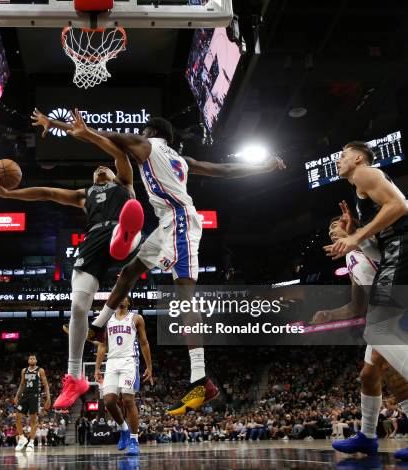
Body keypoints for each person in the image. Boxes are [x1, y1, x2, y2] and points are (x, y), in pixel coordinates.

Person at [35, 108, 285, 415]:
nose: (138, 136)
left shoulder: (148, 146)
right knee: (128, 273)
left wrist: (65, 127)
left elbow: (111, 137)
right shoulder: (183, 161)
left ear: (151, 132)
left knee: (185, 299)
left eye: (142, 132)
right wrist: (265, 166)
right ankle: (99, 327)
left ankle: (201, 380)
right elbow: (225, 171)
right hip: (166, 223)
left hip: (179, 221)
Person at [0, 113, 144, 409]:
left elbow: (118, 152)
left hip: (120, 231)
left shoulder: (124, 182)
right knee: (76, 306)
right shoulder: (83, 195)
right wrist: (10, 194)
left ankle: (126, 235)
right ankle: (74, 378)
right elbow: (46, 193)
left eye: (104, 168)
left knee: (124, 233)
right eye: (96, 170)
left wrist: (77, 131)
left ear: (113, 174)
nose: (101, 169)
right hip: (93, 243)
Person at [324, 141, 408, 459]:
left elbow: (400, 207)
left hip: (403, 251)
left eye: (343, 154)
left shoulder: (365, 173)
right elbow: (356, 306)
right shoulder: (362, 200)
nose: (339, 160)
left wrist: (357, 236)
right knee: (369, 374)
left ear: (358, 158)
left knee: (382, 334)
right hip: (393, 263)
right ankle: (367, 436)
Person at [94, 296, 153, 455]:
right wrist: (97, 368)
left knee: (128, 399)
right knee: (109, 401)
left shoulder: (136, 318)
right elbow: (102, 345)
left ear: (129, 302)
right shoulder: (107, 319)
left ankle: (134, 439)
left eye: (125, 297)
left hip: (129, 361)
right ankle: (124, 429)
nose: (121, 298)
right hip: (112, 361)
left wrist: (149, 366)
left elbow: (144, 342)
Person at [13, 355, 51, 452]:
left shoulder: (40, 370)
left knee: (33, 420)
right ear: (28, 361)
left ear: (36, 360)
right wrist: (17, 395)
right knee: (17, 416)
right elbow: (22, 384)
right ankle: (22, 438)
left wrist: (48, 398)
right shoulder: (24, 371)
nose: (32, 359)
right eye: (30, 358)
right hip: (24, 396)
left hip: (34, 397)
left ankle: (31, 443)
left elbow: (46, 385)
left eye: (34, 358)